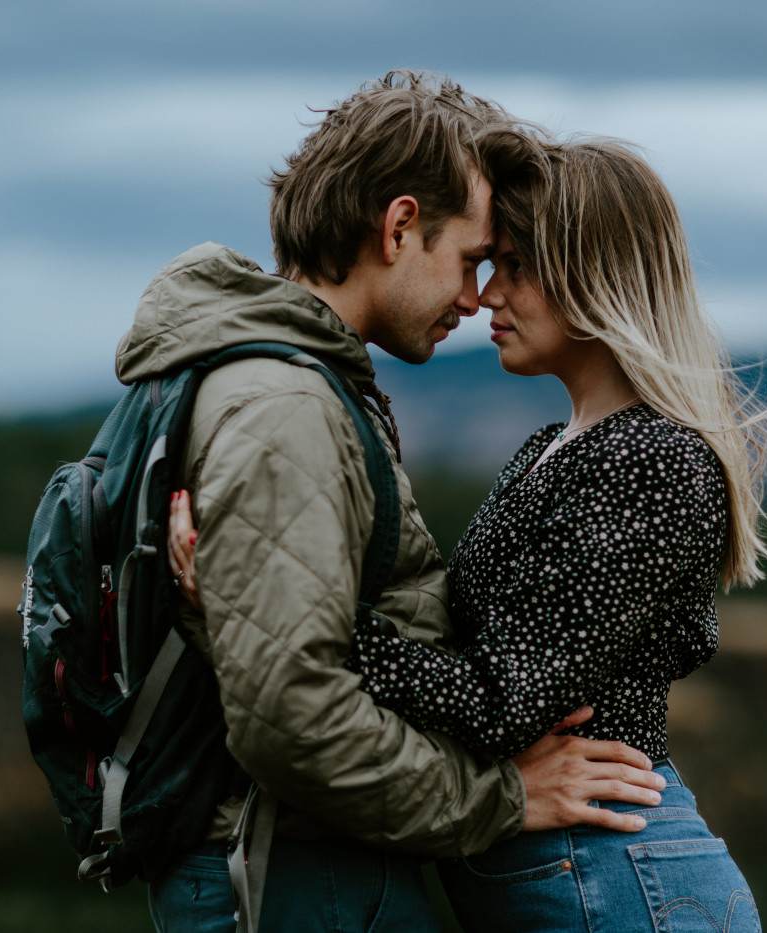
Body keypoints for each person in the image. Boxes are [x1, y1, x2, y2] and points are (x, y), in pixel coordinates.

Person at [173, 136, 767, 931]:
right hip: (566, 880)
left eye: (512, 265)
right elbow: (452, 651)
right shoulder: (549, 449)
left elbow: (500, 700)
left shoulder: (656, 460)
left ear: (592, 273)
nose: (485, 295)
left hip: (616, 881)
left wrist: (277, 610)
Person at [121, 73, 665, 933]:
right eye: (471, 260)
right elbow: (294, 714)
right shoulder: (287, 408)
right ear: (400, 224)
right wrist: (501, 798)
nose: (474, 294)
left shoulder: (299, 387)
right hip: (295, 875)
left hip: (312, 865)